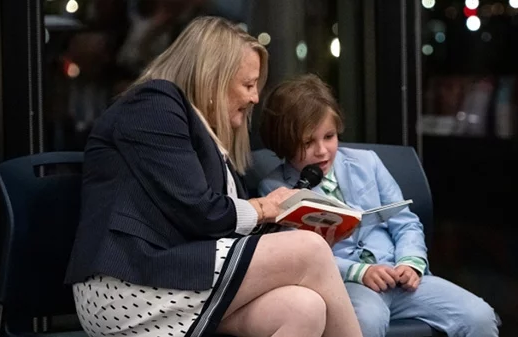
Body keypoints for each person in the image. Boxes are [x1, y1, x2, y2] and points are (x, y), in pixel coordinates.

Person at [65, 17, 363, 337]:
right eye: (248, 85)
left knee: (304, 307)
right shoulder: (154, 102)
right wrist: (264, 208)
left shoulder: (207, 138)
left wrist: (292, 222)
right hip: (130, 280)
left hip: (181, 277)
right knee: (309, 250)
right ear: (214, 79)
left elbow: (218, 223)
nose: (255, 99)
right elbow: (196, 209)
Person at [258, 73, 499, 337]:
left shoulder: (367, 163)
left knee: (480, 316)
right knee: (365, 323)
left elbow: (405, 221)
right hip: (347, 283)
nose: (322, 151)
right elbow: (296, 258)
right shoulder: (275, 191)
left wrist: (411, 262)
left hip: (399, 275)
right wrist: (359, 271)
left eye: (329, 136)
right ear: (284, 143)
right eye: (307, 142)